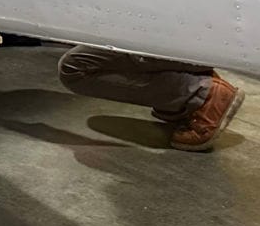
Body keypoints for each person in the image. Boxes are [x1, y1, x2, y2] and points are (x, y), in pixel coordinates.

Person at [58, 46, 245, 151]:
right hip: (197, 35)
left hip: (186, 37)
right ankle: (186, 92)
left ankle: (201, 94)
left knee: (75, 68)